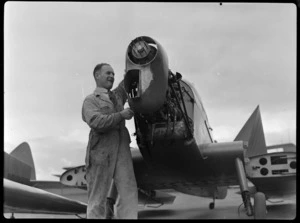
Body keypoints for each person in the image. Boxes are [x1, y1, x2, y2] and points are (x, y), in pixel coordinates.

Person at [81, 63, 138, 219]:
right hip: (101, 152)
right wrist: (120, 115)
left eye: (113, 74)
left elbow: (125, 84)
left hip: (122, 150)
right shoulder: (90, 100)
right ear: (97, 75)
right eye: (108, 73)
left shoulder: (117, 96)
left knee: (128, 192)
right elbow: (96, 122)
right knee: (98, 197)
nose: (112, 76)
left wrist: (135, 68)